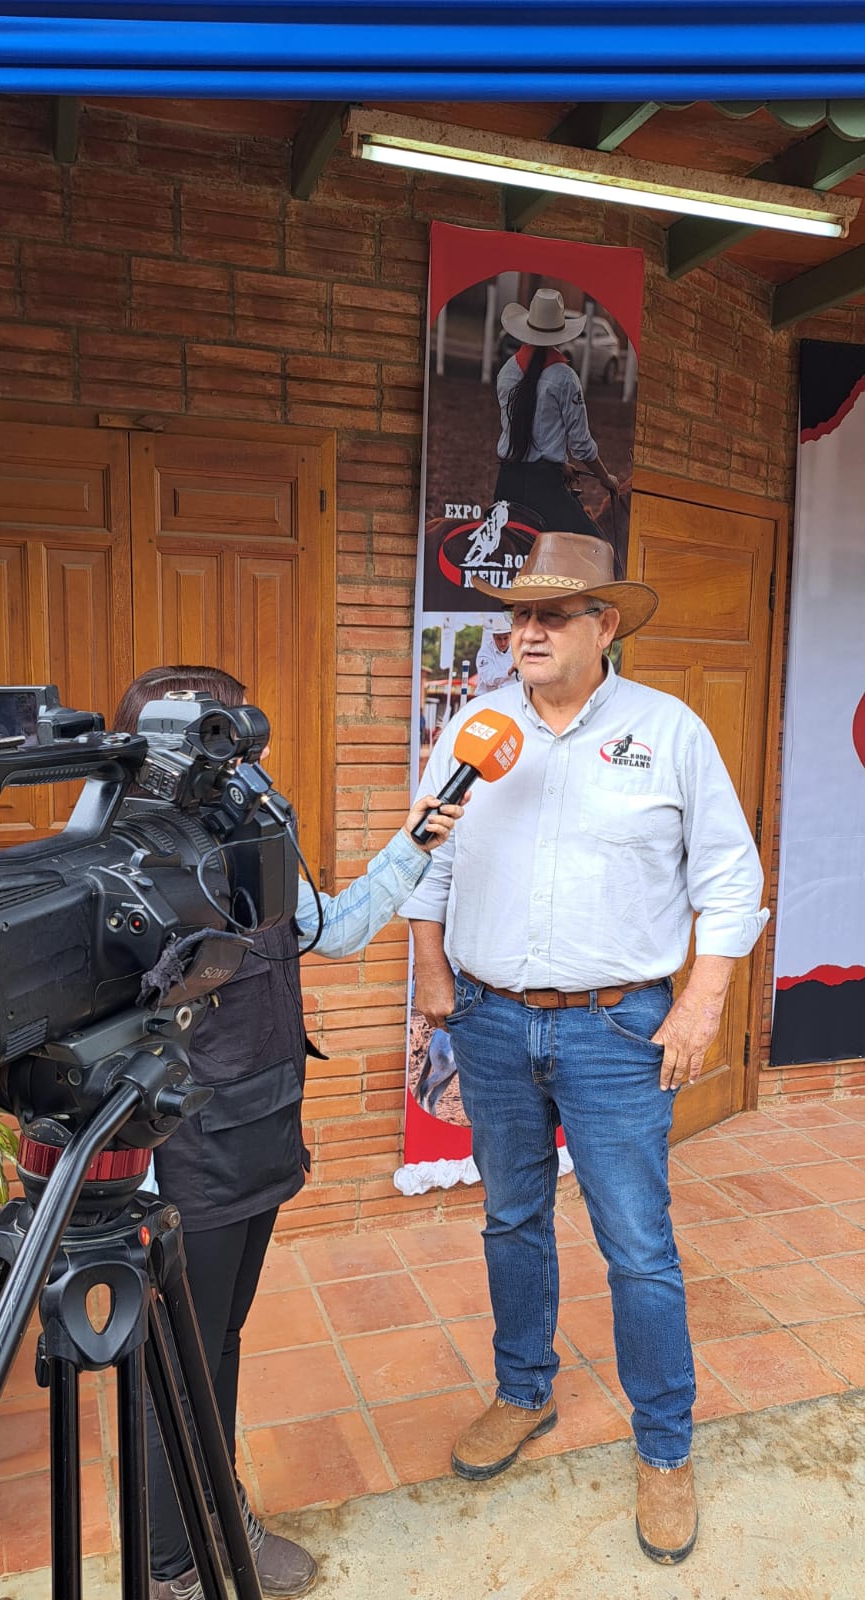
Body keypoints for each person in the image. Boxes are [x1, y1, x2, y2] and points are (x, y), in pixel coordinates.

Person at [400, 532, 768, 1566]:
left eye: (552, 615)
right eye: (518, 614)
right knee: (512, 1216)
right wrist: (431, 979)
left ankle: (664, 1445)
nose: (526, 631)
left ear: (605, 625)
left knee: (635, 1241)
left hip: (618, 1026)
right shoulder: (474, 729)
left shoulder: (669, 730)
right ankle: (523, 1392)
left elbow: (728, 879)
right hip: (490, 1015)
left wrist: (700, 1003)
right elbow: (425, 857)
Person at [112, 664, 465, 1600]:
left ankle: (213, 1514)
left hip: (260, 1130)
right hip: (180, 1151)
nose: (229, 758)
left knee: (218, 1339)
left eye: (234, 737)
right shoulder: (118, 861)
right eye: (206, 737)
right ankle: (172, 1563)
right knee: (172, 1362)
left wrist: (413, 845)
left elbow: (333, 933)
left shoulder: (255, 838)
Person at [495, 287, 620, 537]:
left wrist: (561, 464)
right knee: (598, 546)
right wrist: (606, 478)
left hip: (506, 484)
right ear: (561, 335)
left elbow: (521, 433)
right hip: (544, 492)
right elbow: (582, 445)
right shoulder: (565, 378)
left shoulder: (507, 371)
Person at [474, 612, 516, 695]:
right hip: (486, 699)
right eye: (499, 639)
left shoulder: (517, 650)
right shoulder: (484, 653)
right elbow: (489, 679)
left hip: (509, 699)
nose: (503, 642)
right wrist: (509, 672)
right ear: (493, 637)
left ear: (511, 636)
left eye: (505, 638)